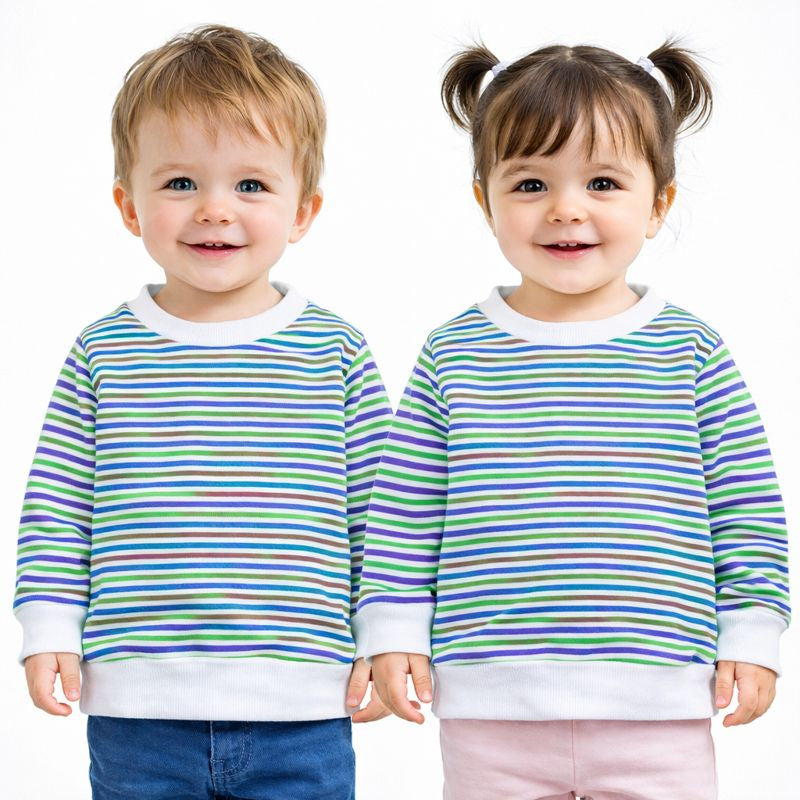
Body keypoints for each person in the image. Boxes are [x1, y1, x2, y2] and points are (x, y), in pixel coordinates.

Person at [353, 38, 791, 800]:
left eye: (603, 182)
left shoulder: (690, 352)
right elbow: (404, 512)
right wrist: (391, 629)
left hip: (659, 701)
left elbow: (745, 506)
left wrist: (753, 632)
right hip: (490, 700)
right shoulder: (454, 354)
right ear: (484, 199)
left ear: (658, 203)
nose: (566, 209)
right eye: (530, 183)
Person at [14, 24, 391, 800]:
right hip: (138, 709)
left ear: (303, 210)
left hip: (302, 705)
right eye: (181, 183)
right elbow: (59, 505)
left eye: (250, 186)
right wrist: (47, 626)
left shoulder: (335, 352)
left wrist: (387, 639)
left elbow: (382, 514)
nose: (215, 210)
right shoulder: (104, 351)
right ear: (129, 206)